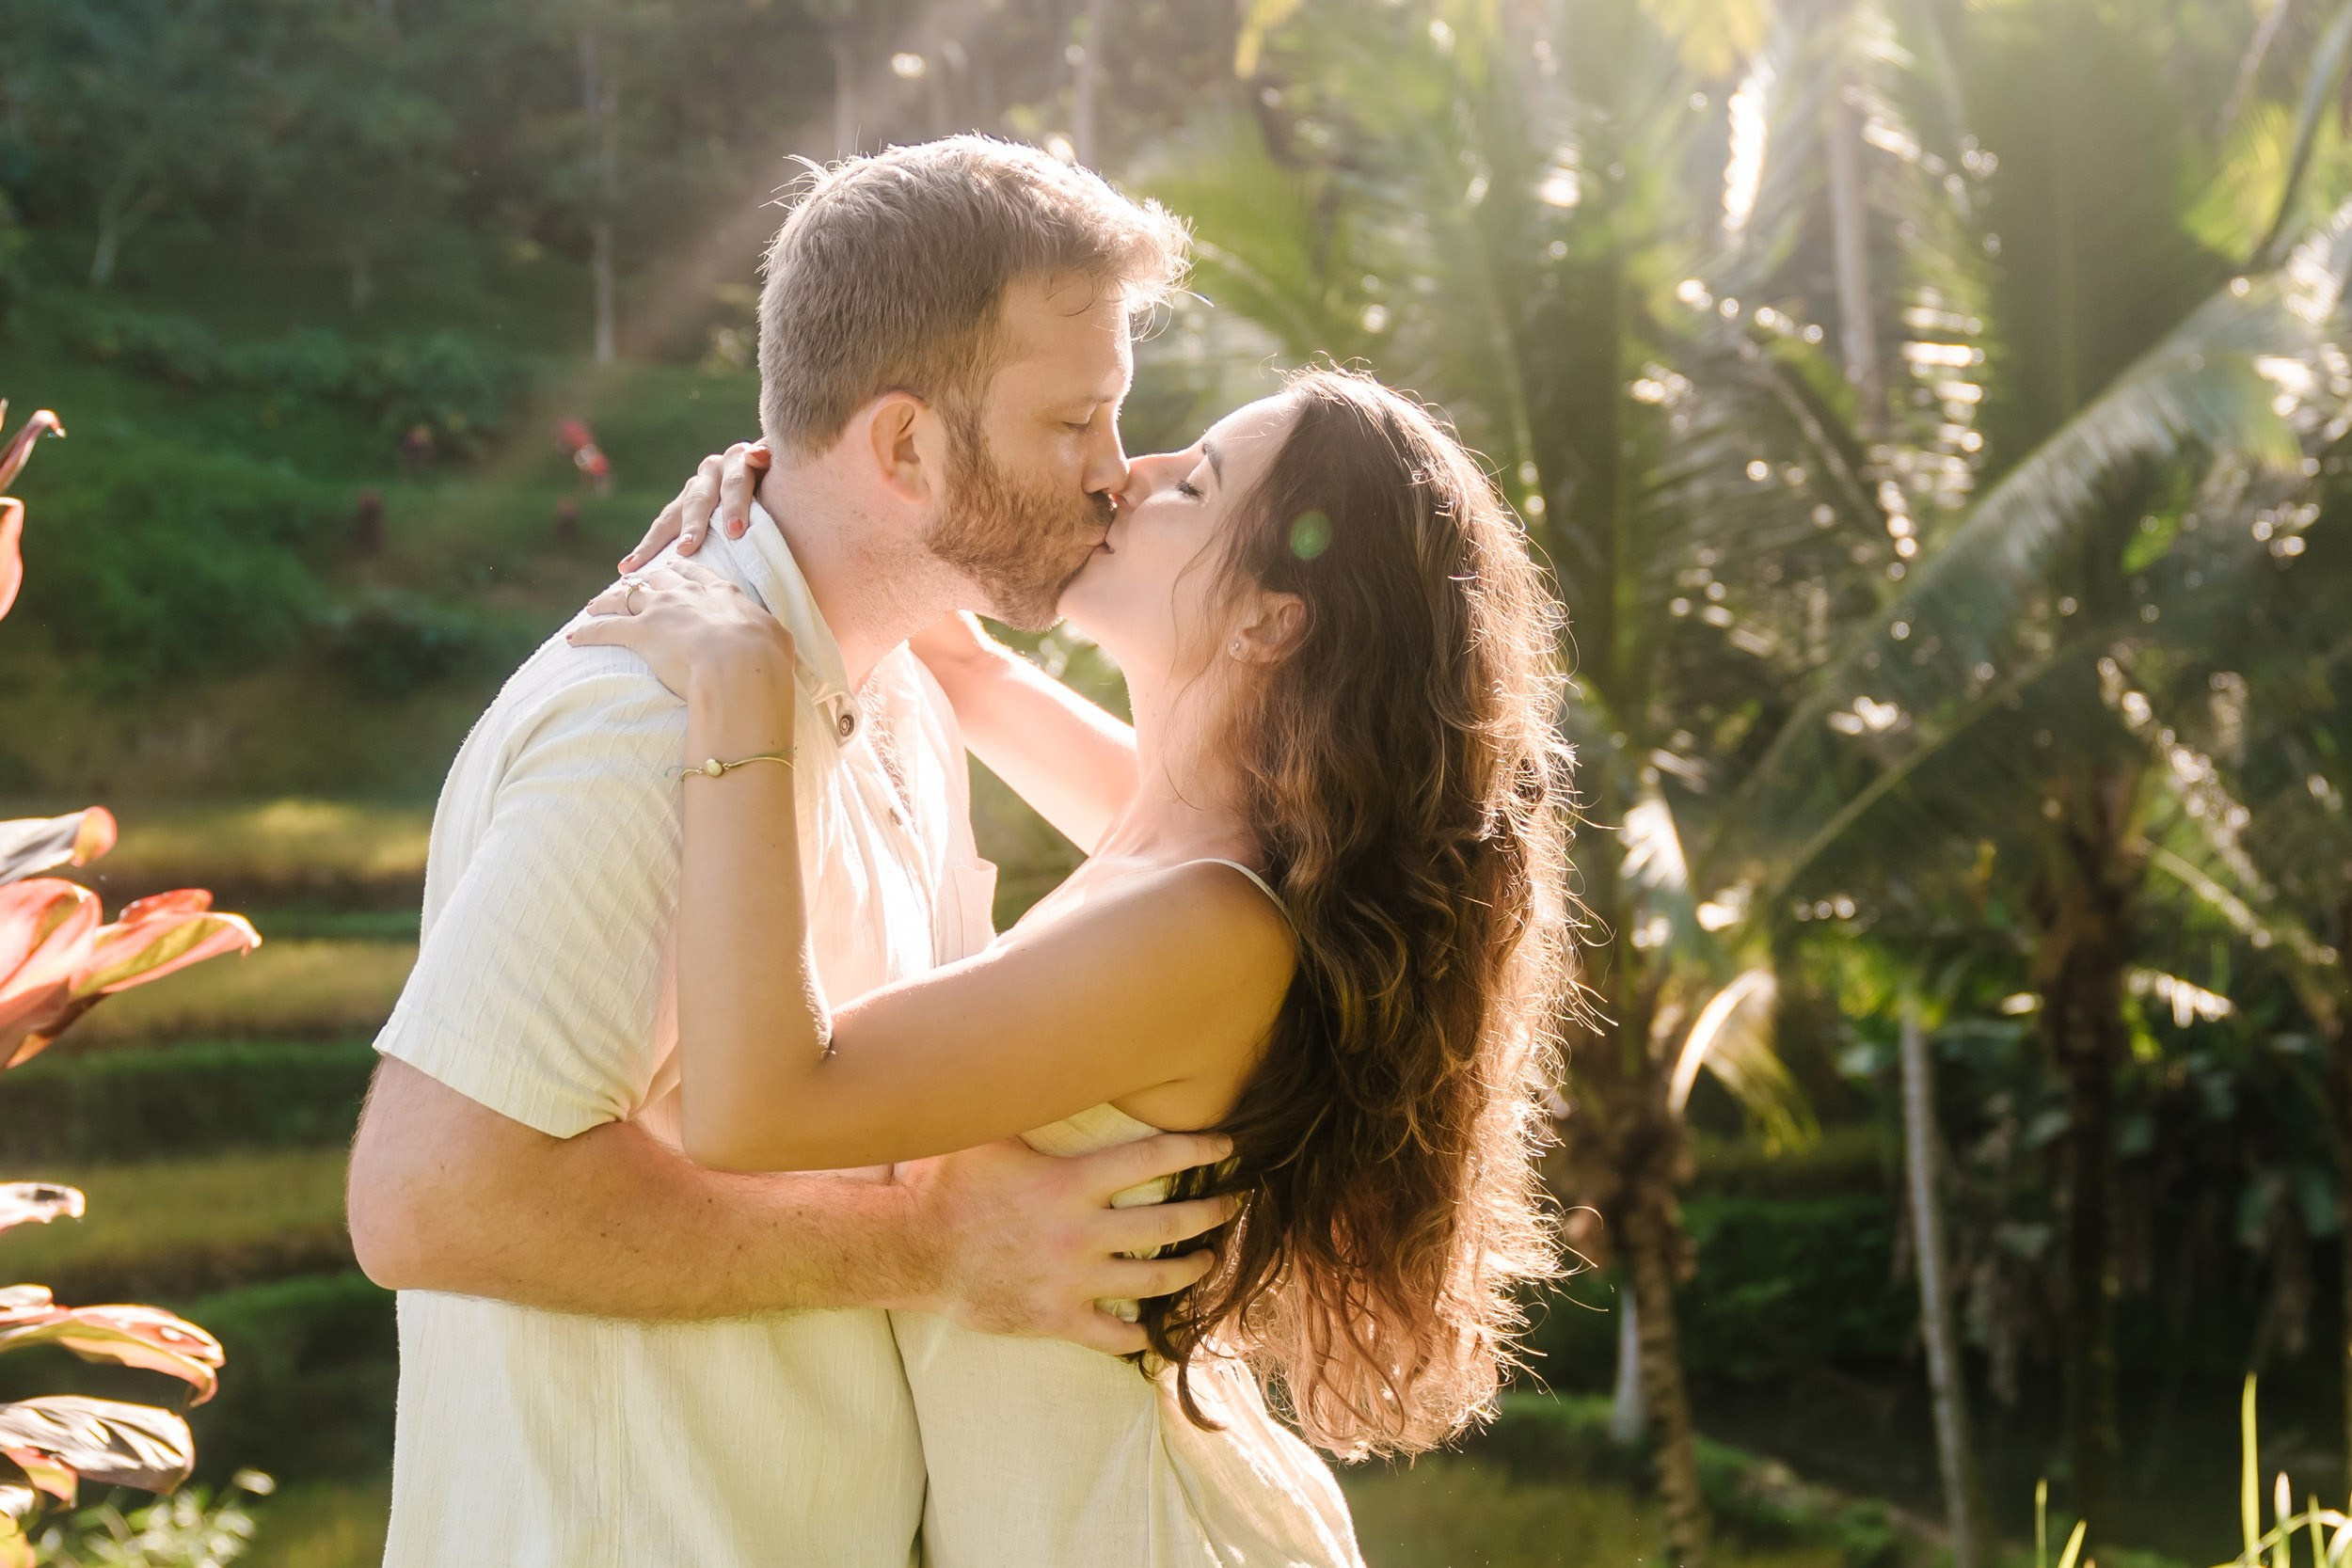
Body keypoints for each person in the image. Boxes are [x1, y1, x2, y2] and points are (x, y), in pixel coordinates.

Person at [343, 137, 1234, 1568]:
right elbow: (431, 1195)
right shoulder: (642, 726)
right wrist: (932, 1245)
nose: (1114, 476)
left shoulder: (901, 698)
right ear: (903, 448)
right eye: (1077, 422)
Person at [584, 367, 1580, 1565]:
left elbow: (761, 1104)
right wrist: (763, 484)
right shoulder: (1191, 836)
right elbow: (960, 663)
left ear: (1269, 618)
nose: (1128, 471)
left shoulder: (1210, 926)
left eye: (1193, 480)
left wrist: (737, 696)